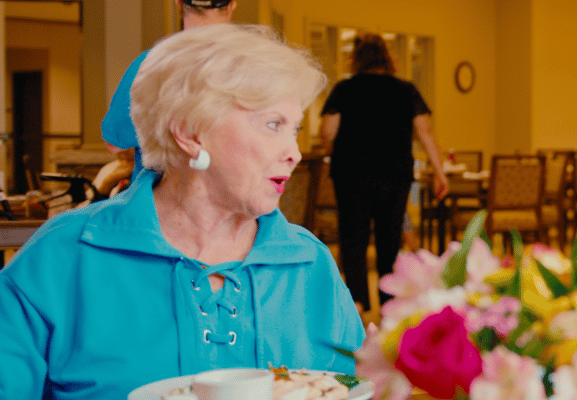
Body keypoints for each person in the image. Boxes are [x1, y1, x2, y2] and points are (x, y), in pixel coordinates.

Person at [0, 24, 364, 399]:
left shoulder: (308, 263)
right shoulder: (63, 255)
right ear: (190, 133)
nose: (295, 152)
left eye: (295, 129)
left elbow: (353, 387)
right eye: (273, 125)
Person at [319, 32, 449, 310]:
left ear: (357, 59)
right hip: (394, 173)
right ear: (388, 60)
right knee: (389, 240)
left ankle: (357, 304)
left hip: (351, 174)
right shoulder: (406, 90)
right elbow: (426, 132)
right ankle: (389, 303)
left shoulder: (345, 89)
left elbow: (328, 130)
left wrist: (331, 146)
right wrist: (440, 173)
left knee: (353, 239)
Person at [102, 0, 238, 181]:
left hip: (163, 200)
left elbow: (115, 143)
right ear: (231, 5)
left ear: (179, 3)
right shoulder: (259, 66)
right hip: (237, 200)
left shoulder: (150, 64)